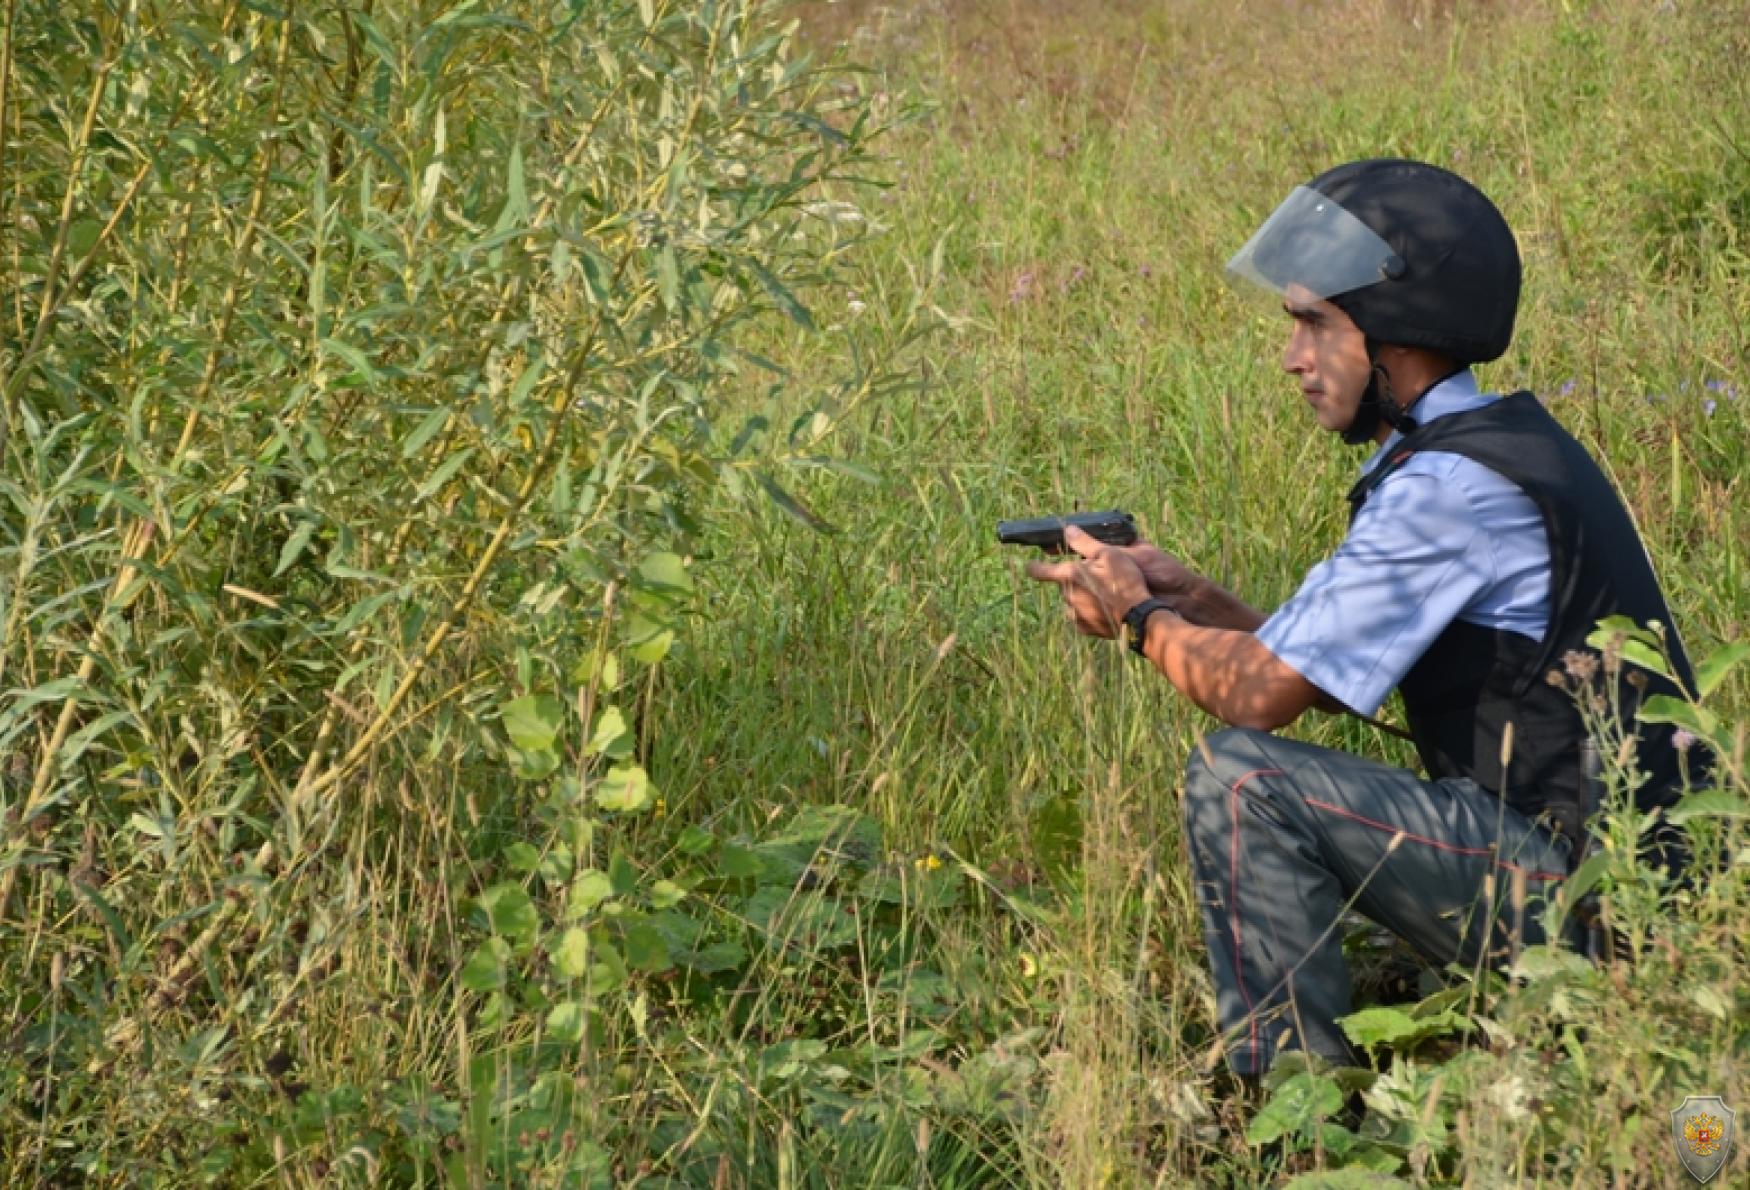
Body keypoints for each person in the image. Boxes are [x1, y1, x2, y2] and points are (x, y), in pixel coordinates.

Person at [1025, 159, 1705, 1080]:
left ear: (1393, 335)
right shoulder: (1488, 450)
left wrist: (1139, 618)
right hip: (1621, 883)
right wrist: (1192, 600)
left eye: (1315, 324)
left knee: (1241, 779)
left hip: (1598, 906)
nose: (1293, 357)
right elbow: (1323, 673)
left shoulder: (1446, 489)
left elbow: (1262, 699)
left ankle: (1290, 1106)